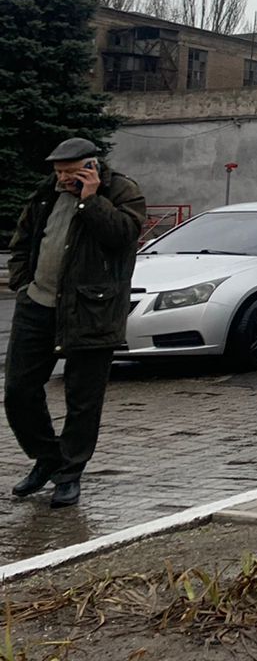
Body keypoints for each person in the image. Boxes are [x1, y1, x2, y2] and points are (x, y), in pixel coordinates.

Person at [5, 138, 145, 508]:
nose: (63, 179)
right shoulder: (44, 194)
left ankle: (69, 474)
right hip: (38, 305)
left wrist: (90, 199)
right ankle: (48, 457)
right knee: (18, 390)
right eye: (59, 172)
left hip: (91, 310)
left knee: (83, 399)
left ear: (91, 167)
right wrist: (23, 283)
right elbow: (23, 242)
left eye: (71, 172)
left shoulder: (121, 192)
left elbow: (122, 236)